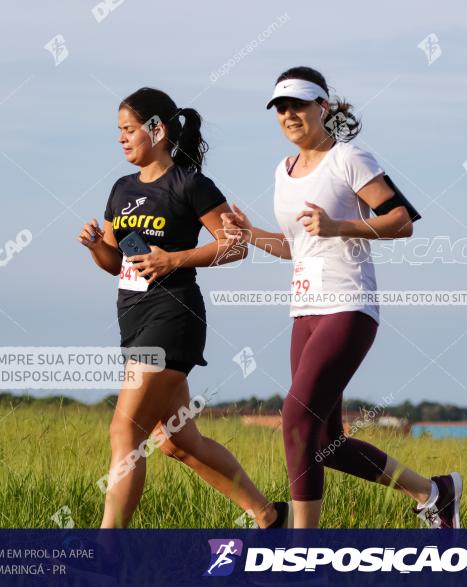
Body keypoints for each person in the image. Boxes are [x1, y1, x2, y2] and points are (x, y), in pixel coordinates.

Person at [221, 66, 462, 528]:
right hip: (304, 309)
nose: (290, 115)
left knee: (295, 420)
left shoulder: (349, 158)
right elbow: (295, 247)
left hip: (348, 304)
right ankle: (434, 493)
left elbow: (401, 221)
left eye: (299, 105)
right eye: (281, 108)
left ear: (323, 107)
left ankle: (301, 550)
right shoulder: (283, 170)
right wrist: (250, 234)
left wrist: (339, 226)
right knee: (323, 443)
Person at [78, 87, 287, 529]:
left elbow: (235, 248)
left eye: (129, 129)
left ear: (157, 130)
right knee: (176, 440)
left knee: (125, 433)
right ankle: (269, 518)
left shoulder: (190, 184)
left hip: (173, 316)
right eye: (118, 131)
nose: (121, 138)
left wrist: (173, 259)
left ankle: (107, 552)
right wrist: (97, 247)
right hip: (133, 318)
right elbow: (116, 263)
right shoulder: (121, 189)